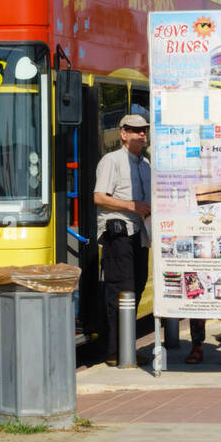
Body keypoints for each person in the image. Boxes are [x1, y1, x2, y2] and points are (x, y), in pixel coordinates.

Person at [93, 113, 151, 365]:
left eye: (144, 130)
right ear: (123, 133)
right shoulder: (111, 160)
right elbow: (99, 197)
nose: (142, 134)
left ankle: (127, 347)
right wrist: (131, 205)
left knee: (136, 287)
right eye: (135, 130)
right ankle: (114, 351)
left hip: (140, 234)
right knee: (120, 290)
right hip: (118, 234)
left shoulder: (146, 164)